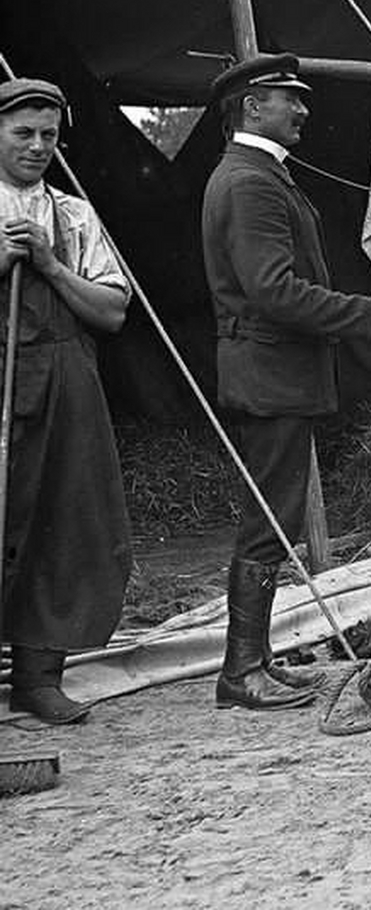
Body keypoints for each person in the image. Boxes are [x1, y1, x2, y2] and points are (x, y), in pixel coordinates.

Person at [201, 55, 371, 709]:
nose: (302, 109)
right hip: (270, 374)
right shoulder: (250, 182)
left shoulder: (259, 174)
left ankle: (256, 659)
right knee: (268, 522)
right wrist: (367, 312)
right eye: (287, 98)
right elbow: (273, 290)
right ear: (250, 107)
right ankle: (241, 672)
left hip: (275, 373)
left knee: (276, 516)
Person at [0, 77, 132, 725]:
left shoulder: (74, 215)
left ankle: (37, 677)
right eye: (22, 133)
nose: (38, 146)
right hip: (2, 375)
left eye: (48, 134)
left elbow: (112, 310)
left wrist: (52, 265)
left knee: (65, 518)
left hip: (65, 377)